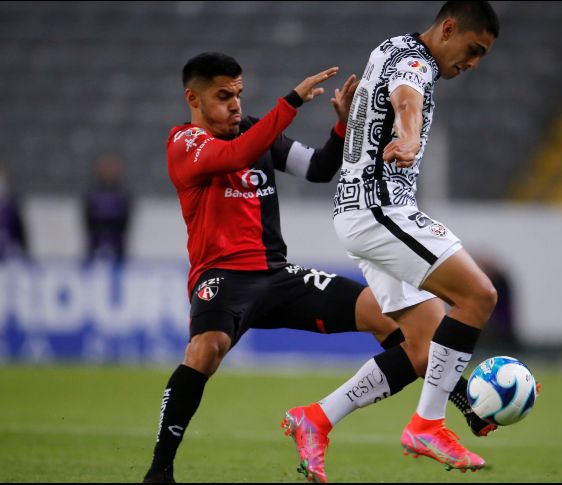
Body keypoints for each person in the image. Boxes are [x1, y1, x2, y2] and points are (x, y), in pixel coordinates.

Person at [142, 51, 492, 484]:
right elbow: (233, 157)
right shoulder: (185, 144)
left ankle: (463, 400)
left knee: (387, 317)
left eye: (238, 94)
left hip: (278, 275)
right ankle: (159, 471)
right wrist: (290, 102)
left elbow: (319, 168)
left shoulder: (253, 130)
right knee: (206, 348)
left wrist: (342, 127)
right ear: (193, 98)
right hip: (223, 277)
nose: (235, 105)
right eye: (223, 96)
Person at [282, 1, 500, 480]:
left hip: (361, 211)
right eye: (474, 49)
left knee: (423, 347)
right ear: (448, 28)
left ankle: (317, 418)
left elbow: (389, 100)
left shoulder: (391, 49)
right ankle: (427, 426)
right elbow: (407, 99)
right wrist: (409, 135)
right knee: (479, 295)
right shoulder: (416, 62)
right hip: (380, 209)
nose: (473, 63)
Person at [84, 153, 131, 262]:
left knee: (118, 257)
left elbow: (126, 212)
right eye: (105, 168)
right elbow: (87, 212)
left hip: (116, 230)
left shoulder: (122, 191)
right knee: (92, 256)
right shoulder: (93, 190)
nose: (108, 172)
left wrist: (122, 229)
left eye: (111, 169)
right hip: (96, 230)